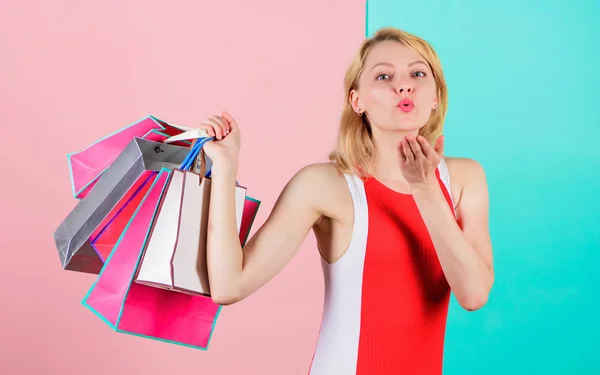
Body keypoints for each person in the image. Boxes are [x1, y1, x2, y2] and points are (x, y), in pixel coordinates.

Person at [195, 27, 494, 375]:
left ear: (435, 97)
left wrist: (425, 189)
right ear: (358, 101)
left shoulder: (463, 180)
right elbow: (228, 285)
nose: (404, 85)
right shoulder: (324, 185)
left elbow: (473, 295)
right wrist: (226, 166)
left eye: (417, 73)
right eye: (384, 76)